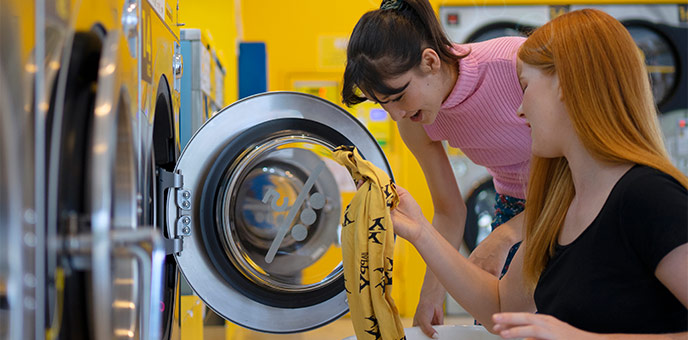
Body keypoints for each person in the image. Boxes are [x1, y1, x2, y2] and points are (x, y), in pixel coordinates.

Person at [390, 8, 688, 339]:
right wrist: (420, 233)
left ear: (564, 84)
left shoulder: (649, 199)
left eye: (525, 85)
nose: (519, 107)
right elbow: (501, 308)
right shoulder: (560, 205)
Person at [342, 0, 531, 335]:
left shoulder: (513, 63)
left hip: (579, 203)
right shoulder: (414, 121)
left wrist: (505, 236)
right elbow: (448, 210)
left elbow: (594, 173)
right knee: (499, 328)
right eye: (381, 104)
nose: (395, 115)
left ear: (429, 61)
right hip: (513, 207)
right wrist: (432, 294)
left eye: (398, 96)